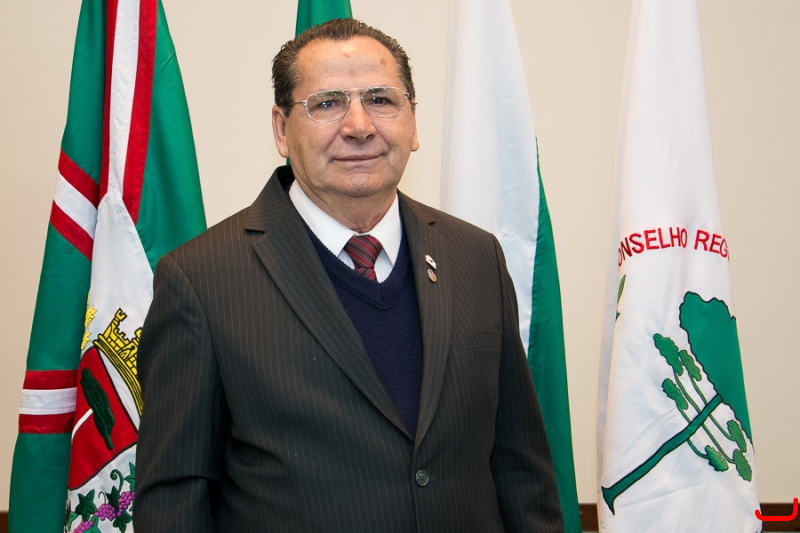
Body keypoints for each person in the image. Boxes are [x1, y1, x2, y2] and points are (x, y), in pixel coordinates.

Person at [134, 18, 564, 533]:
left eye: (381, 100)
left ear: (413, 122)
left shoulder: (476, 257)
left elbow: (522, 473)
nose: (359, 126)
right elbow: (175, 504)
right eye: (327, 103)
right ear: (281, 129)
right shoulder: (201, 281)